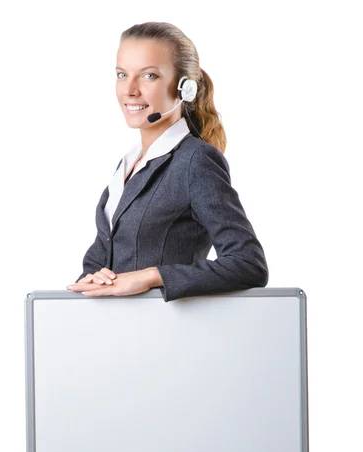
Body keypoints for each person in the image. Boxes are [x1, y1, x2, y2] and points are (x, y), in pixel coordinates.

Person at [67, 21, 269, 302]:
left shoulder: (196, 161)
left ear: (184, 88)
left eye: (149, 76)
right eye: (122, 74)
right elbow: (102, 258)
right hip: (115, 334)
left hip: (167, 335)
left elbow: (248, 264)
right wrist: (92, 278)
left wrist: (152, 275)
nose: (130, 90)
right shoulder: (127, 165)